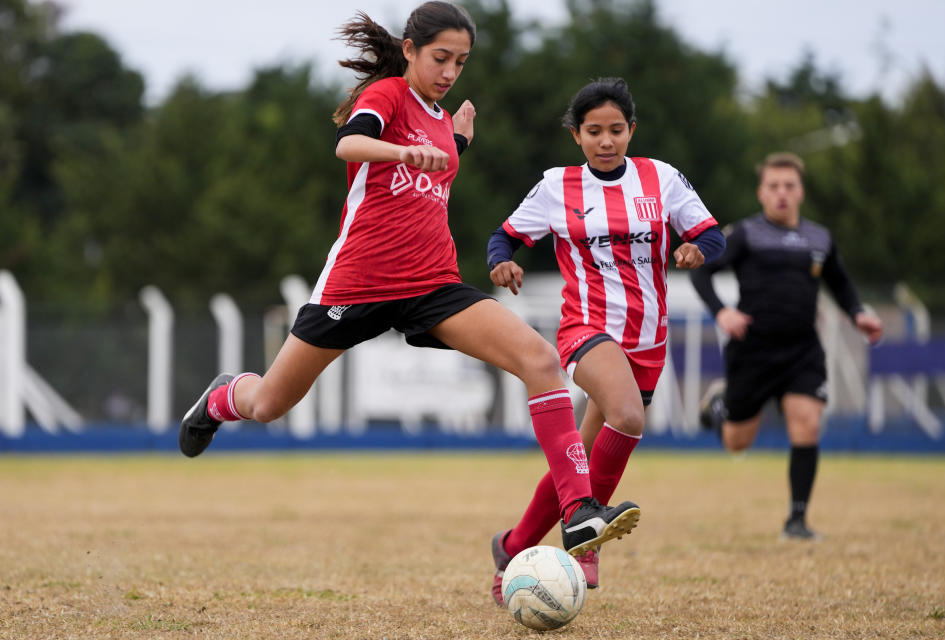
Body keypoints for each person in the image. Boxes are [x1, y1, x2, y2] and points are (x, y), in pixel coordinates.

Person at [178, 1, 641, 559]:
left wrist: (457, 143)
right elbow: (348, 144)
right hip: (358, 285)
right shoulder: (388, 96)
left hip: (432, 285)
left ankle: (577, 513)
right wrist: (405, 149)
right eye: (441, 58)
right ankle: (224, 395)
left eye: (461, 63)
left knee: (539, 360)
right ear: (410, 50)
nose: (450, 72)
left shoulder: (443, 121)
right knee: (269, 404)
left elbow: (430, 173)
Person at [485, 77, 726, 605]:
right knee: (628, 415)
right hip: (587, 328)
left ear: (631, 130)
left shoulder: (659, 178)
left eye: (616, 130)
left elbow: (711, 233)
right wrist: (501, 261)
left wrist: (697, 252)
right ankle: (585, 540)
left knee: (584, 457)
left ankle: (514, 546)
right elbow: (504, 234)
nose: (606, 141)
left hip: (649, 338)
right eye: (594, 131)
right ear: (577, 136)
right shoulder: (556, 186)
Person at [690, 151, 883, 541]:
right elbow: (703, 272)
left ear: (801, 192)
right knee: (736, 442)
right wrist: (722, 312)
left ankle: (796, 521)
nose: (782, 193)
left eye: (789, 186)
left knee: (807, 423)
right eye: (773, 186)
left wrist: (858, 312)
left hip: (801, 351)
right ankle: (720, 404)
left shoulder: (819, 238)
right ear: (761, 193)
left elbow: (840, 283)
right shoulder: (745, 233)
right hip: (752, 349)